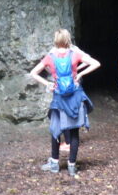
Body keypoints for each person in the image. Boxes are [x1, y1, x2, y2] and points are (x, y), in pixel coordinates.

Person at [30, 29, 100, 176]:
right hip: (75, 97)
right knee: (74, 133)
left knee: (56, 131)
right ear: (68, 39)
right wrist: (79, 73)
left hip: (59, 98)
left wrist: (48, 84)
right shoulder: (75, 54)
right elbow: (96, 63)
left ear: (55, 40)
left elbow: (33, 73)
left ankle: (54, 165)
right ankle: (72, 166)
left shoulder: (50, 57)